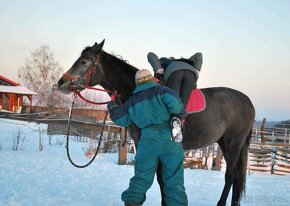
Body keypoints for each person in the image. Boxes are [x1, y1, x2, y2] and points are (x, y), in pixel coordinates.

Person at [107, 69, 188, 206]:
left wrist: (112, 104)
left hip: (147, 142)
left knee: (141, 178)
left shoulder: (132, 101)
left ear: (137, 83)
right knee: (174, 179)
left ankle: (132, 202)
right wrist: (179, 115)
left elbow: (120, 119)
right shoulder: (162, 91)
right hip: (169, 139)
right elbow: (177, 106)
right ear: (151, 79)